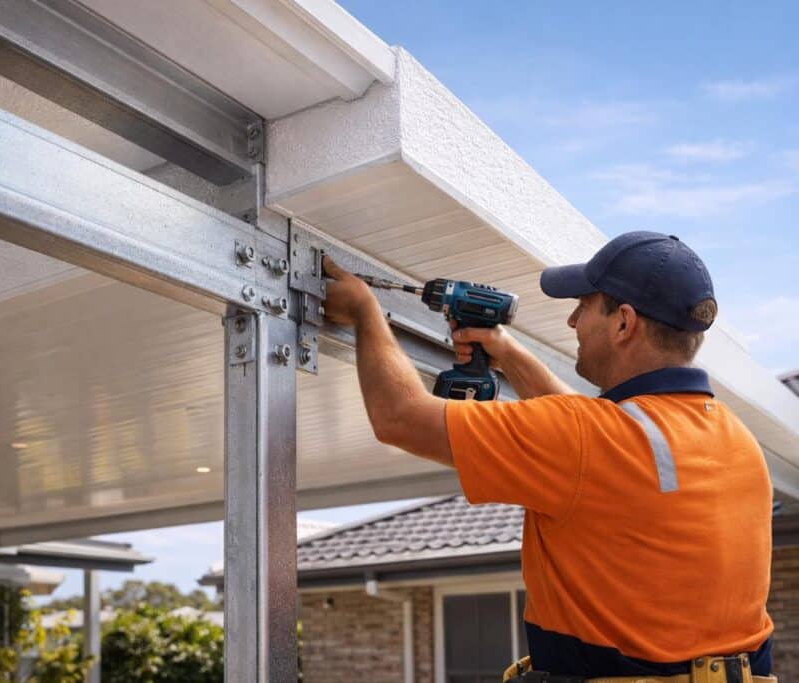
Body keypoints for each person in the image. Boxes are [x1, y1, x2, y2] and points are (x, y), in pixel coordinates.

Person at [321, 231, 774, 681]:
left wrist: (364, 310)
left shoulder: (587, 438)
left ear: (624, 323)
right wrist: (507, 354)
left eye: (584, 306)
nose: (573, 322)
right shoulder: (734, 439)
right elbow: (589, 444)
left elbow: (399, 417)